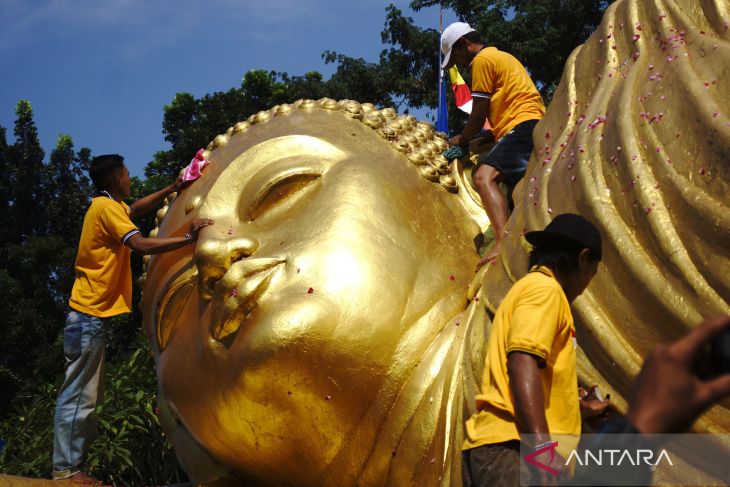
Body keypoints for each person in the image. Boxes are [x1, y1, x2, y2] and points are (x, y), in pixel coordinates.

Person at [52, 154, 213, 484]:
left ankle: (69, 467)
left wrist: (172, 187)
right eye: (126, 174)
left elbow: (135, 209)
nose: (130, 177)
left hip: (87, 316)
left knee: (86, 393)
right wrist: (187, 239)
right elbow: (139, 244)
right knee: (80, 393)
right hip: (88, 316)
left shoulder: (107, 206)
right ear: (115, 180)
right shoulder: (107, 210)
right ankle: (66, 472)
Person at [461, 213, 610, 487]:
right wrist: (542, 449)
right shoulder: (546, 291)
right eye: (593, 271)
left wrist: (578, 408)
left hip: (504, 446)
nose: (589, 282)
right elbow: (521, 362)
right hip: (514, 449)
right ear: (582, 257)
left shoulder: (528, 288)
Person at [440, 21, 545, 268]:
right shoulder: (500, 57)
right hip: (526, 125)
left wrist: (463, 139)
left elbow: (478, 115)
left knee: (482, 176)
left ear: (464, 44)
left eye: (455, 56)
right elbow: (500, 111)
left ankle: (502, 242)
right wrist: (484, 139)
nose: (459, 65)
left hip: (522, 126)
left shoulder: (482, 61)